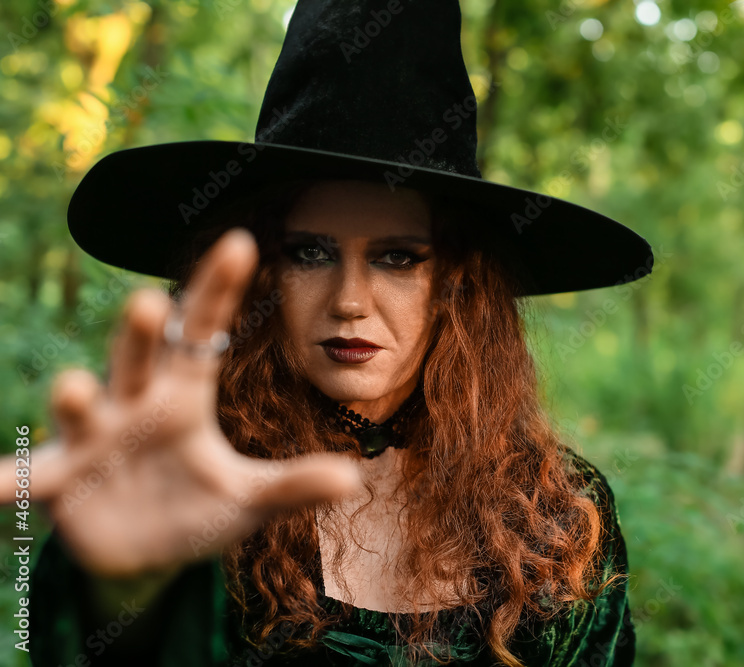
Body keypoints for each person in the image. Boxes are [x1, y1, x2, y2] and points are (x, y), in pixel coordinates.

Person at [27, 1, 654, 665]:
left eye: (397, 256)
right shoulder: (186, 478)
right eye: (311, 253)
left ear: (455, 288)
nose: (350, 301)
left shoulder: (555, 513)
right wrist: (127, 593)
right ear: (263, 274)